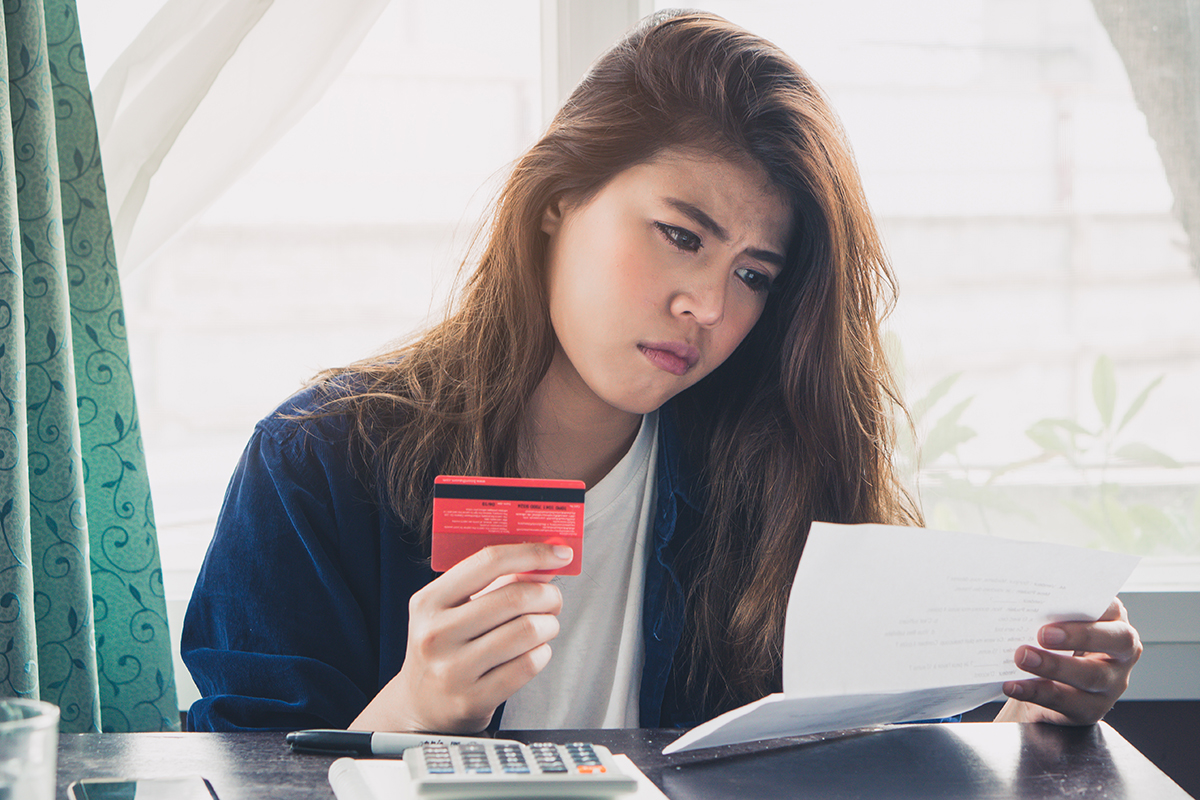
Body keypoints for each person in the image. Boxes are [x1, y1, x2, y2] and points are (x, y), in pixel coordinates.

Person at [181, 9, 1142, 733]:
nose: (710, 308)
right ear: (557, 199)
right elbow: (240, 770)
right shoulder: (318, 462)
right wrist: (412, 710)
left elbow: (873, 756)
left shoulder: (774, 467)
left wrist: (1036, 711)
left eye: (753, 274)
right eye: (680, 235)